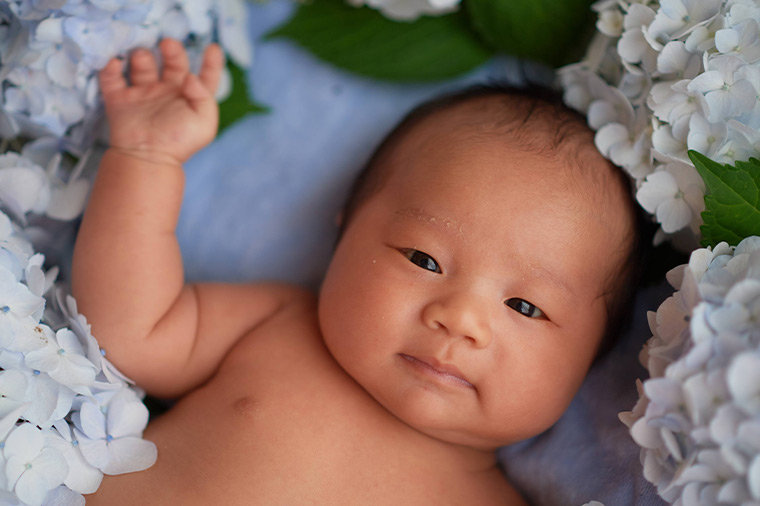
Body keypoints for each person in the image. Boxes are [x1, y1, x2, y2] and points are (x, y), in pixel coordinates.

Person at [72, 38, 642, 504]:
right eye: (424, 259)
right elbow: (129, 331)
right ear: (344, 230)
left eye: (525, 306)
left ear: (592, 356)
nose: (460, 318)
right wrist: (146, 162)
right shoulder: (274, 328)